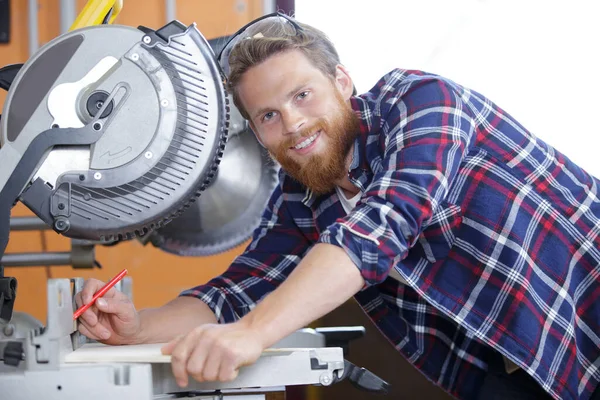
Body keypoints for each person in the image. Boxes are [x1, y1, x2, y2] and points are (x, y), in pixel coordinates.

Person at [75, 12, 600, 400]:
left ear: (342, 82)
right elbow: (236, 290)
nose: (293, 124)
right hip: (518, 369)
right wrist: (138, 327)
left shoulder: (423, 102)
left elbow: (383, 225)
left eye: (302, 96)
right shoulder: (304, 197)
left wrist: (254, 334)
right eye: (269, 116)